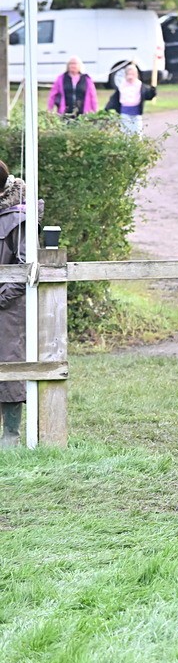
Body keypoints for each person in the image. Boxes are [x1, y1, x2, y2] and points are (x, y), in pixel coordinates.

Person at [0, 161, 33, 448]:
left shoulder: (18, 218)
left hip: (7, 310)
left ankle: (11, 435)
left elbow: (25, 269)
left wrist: (1, 298)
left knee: (9, 368)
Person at [104, 63, 156, 135]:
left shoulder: (140, 85)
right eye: (129, 74)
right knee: (125, 132)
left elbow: (148, 96)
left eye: (132, 74)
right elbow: (114, 98)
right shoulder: (122, 86)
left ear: (136, 75)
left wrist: (152, 91)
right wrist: (108, 107)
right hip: (125, 112)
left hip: (136, 112)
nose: (130, 76)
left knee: (137, 132)